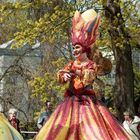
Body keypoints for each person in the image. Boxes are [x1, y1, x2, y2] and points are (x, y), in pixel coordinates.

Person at [35, 9, 132, 140]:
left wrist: (76, 72)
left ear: (85, 49)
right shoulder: (71, 64)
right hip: (70, 103)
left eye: (77, 47)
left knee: (92, 131)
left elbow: (89, 78)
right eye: (74, 47)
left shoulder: (91, 64)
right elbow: (62, 75)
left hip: (87, 104)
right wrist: (64, 76)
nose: (74, 50)